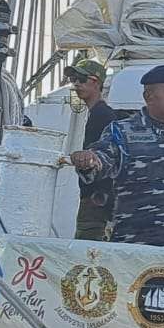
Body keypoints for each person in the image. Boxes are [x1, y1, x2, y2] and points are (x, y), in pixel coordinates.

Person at [69, 64, 164, 249]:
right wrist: (88, 160)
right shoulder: (122, 132)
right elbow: (101, 161)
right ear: (149, 96)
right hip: (134, 247)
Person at [66, 59, 117, 242]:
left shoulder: (102, 115)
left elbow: (106, 161)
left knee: (87, 249)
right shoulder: (98, 114)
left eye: (81, 78)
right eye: (74, 79)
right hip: (97, 200)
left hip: (97, 203)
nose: (76, 84)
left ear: (96, 82)